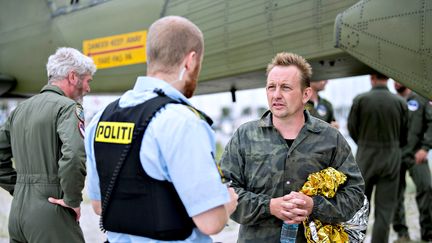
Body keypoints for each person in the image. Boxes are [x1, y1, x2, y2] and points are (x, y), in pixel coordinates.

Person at [84, 16, 238, 242]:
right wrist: (228, 203)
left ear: (150, 57)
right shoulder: (182, 122)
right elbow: (211, 222)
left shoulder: (101, 118)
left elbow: (99, 205)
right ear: (190, 61)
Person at [220, 52, 365, 242]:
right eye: (271, 87)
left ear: (306, 94)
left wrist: (314, 206)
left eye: (286, 88)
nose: (276, 95)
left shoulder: (330, 139)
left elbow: (354, 194)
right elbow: (223, 191)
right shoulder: (245, 136)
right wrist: (269, 206)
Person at [0, 47, 96, 242]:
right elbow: (74, 156)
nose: (88, 88)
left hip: (18, 214)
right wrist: (72, 200)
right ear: (72, 77)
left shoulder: (20, 110)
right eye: (87, 80)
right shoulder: (68, 108)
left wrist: (18, 188)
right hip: (52, 213)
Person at [347, 72, 408, 243]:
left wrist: (364, 143)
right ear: (388, 78)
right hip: (391, 158)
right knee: (385, 210)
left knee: (360, 208)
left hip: (366, 157)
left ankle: (356, 240)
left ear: (371, 78)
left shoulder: (361, 100)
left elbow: (352, 128)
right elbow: (405, 135)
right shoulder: (400, 102)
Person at [393, 82, 432, 242]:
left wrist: (425, 148)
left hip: (417, 154)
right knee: (395, 195)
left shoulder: (421, 99)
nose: (396, 82)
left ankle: (428, 233)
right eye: (393, 80)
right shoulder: (392, 101)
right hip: (395, 156)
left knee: (426, 188)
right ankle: (402, 233)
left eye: (398, 79)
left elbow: (431, 124)